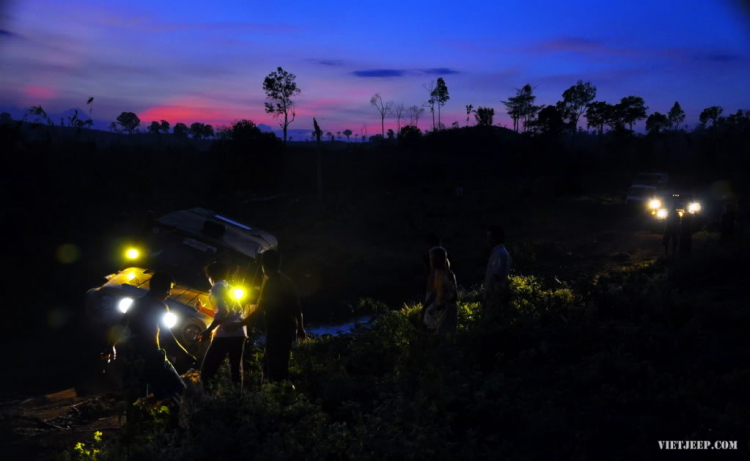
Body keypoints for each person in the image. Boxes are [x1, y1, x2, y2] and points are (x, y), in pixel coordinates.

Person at [103, 272, 193, 403]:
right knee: (177, 390)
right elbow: (167, 335)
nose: (169, 293)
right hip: (152, 355)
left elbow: (121, 325)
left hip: (134, 355)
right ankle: (171, 421)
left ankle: (140, 420)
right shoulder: (160, 306)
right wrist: (185, 354)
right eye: (169, 289)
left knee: (137, 396)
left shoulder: (136, 303)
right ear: (161, 288)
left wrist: (111, 346)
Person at [234, 249, 306, 382]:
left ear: (263, 266)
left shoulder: (269, 284)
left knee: (272, 364)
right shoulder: (287, 281)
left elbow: (260, 309)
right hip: (289, 328)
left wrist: (240, 324)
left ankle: (274, 393)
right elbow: (297, 306)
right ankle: (280, 390)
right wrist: (300, 328)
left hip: (275, 330)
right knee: (282, 362)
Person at [198, 262, 247, 390]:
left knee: (206, 372)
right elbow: (226, 312)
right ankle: (237, 401)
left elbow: (223, 313)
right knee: (236, 371)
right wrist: (203, 309)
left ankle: (205, 403)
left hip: (226, 333)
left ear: (210, 276)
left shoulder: (216, 288)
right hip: (239, 332)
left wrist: (208, 330)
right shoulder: (228, 287)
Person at [423, 246, 458, 333]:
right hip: (440, 311)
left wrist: (441, 307)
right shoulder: (437, 273)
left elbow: (454, 296)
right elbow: (435, 292)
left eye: (433, 259)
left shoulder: (448, 275)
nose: (431, 261)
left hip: (448, 312)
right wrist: (425, 307)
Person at [484, 225, 512, 318]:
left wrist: (490, 296)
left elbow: (497, 277)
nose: (488, 240)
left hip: (495, 299)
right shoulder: (500, 252)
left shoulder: (499, 254)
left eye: (490, 237)